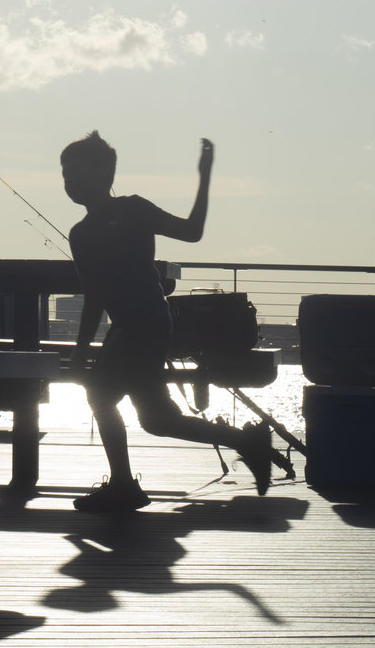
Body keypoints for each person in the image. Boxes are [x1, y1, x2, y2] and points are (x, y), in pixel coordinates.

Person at [64, 130, 283, 512]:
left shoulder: (131, 210)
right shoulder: (80, 233)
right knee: (157, 420)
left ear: (103, 173)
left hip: (142, 326)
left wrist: (204, 176)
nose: (69, 181)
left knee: (100, 394)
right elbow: (94, 296)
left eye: (75, 172)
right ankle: (246, 442)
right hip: (140, 326)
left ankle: (123, 486)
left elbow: (191, 232)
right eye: (65, 174)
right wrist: (84, 349)